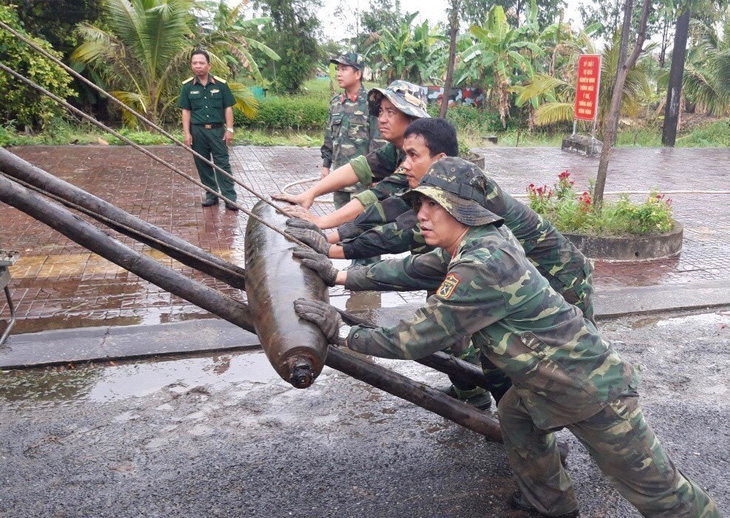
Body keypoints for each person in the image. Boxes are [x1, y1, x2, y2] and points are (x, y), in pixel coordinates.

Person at [291, 157, 720, 518]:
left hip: (589, 387)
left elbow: (414, 339)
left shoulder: (481, 265)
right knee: (515, 414)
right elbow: (410, 269)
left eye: (432, 205)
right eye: (419, 203)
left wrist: (344, 334)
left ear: (461, 209)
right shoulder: (477, 241)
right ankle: (550, 502)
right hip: (544, 381)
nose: (420, 214)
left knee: (659, 492)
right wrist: (338, 272)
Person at [273, 80, 430, 228]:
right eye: (381, 111)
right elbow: (358, 168)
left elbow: (377, 195)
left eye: (390, 112)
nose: (381, 119)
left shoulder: (420, 158)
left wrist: (321, 221)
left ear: (413, 119)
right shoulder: (397, 149)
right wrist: (310, 194)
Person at [321, 52, 385, 211]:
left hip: (362, 182)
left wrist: (376, 177)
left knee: (360, 226)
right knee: (340, 224)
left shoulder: (372, 103)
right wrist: (325, 166)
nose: (338, 73)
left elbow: (377, 142)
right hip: (339, 179)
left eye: (344, 69)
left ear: (358, 74)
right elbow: (329, 137)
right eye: (337, 69)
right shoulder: (336, 103)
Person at [178, 49, 238, 211]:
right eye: (194, 63)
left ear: (209, 65)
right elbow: (186, 111)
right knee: (202, 164)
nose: (198, 66)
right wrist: (187, 133)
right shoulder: (188, 87)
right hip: (197, 132)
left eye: (201, 63)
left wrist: (230, 129)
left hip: (218, 131)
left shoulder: (220, 85)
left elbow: (228, 108)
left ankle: (230, 197)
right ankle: (211, 195)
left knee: (222, 164)